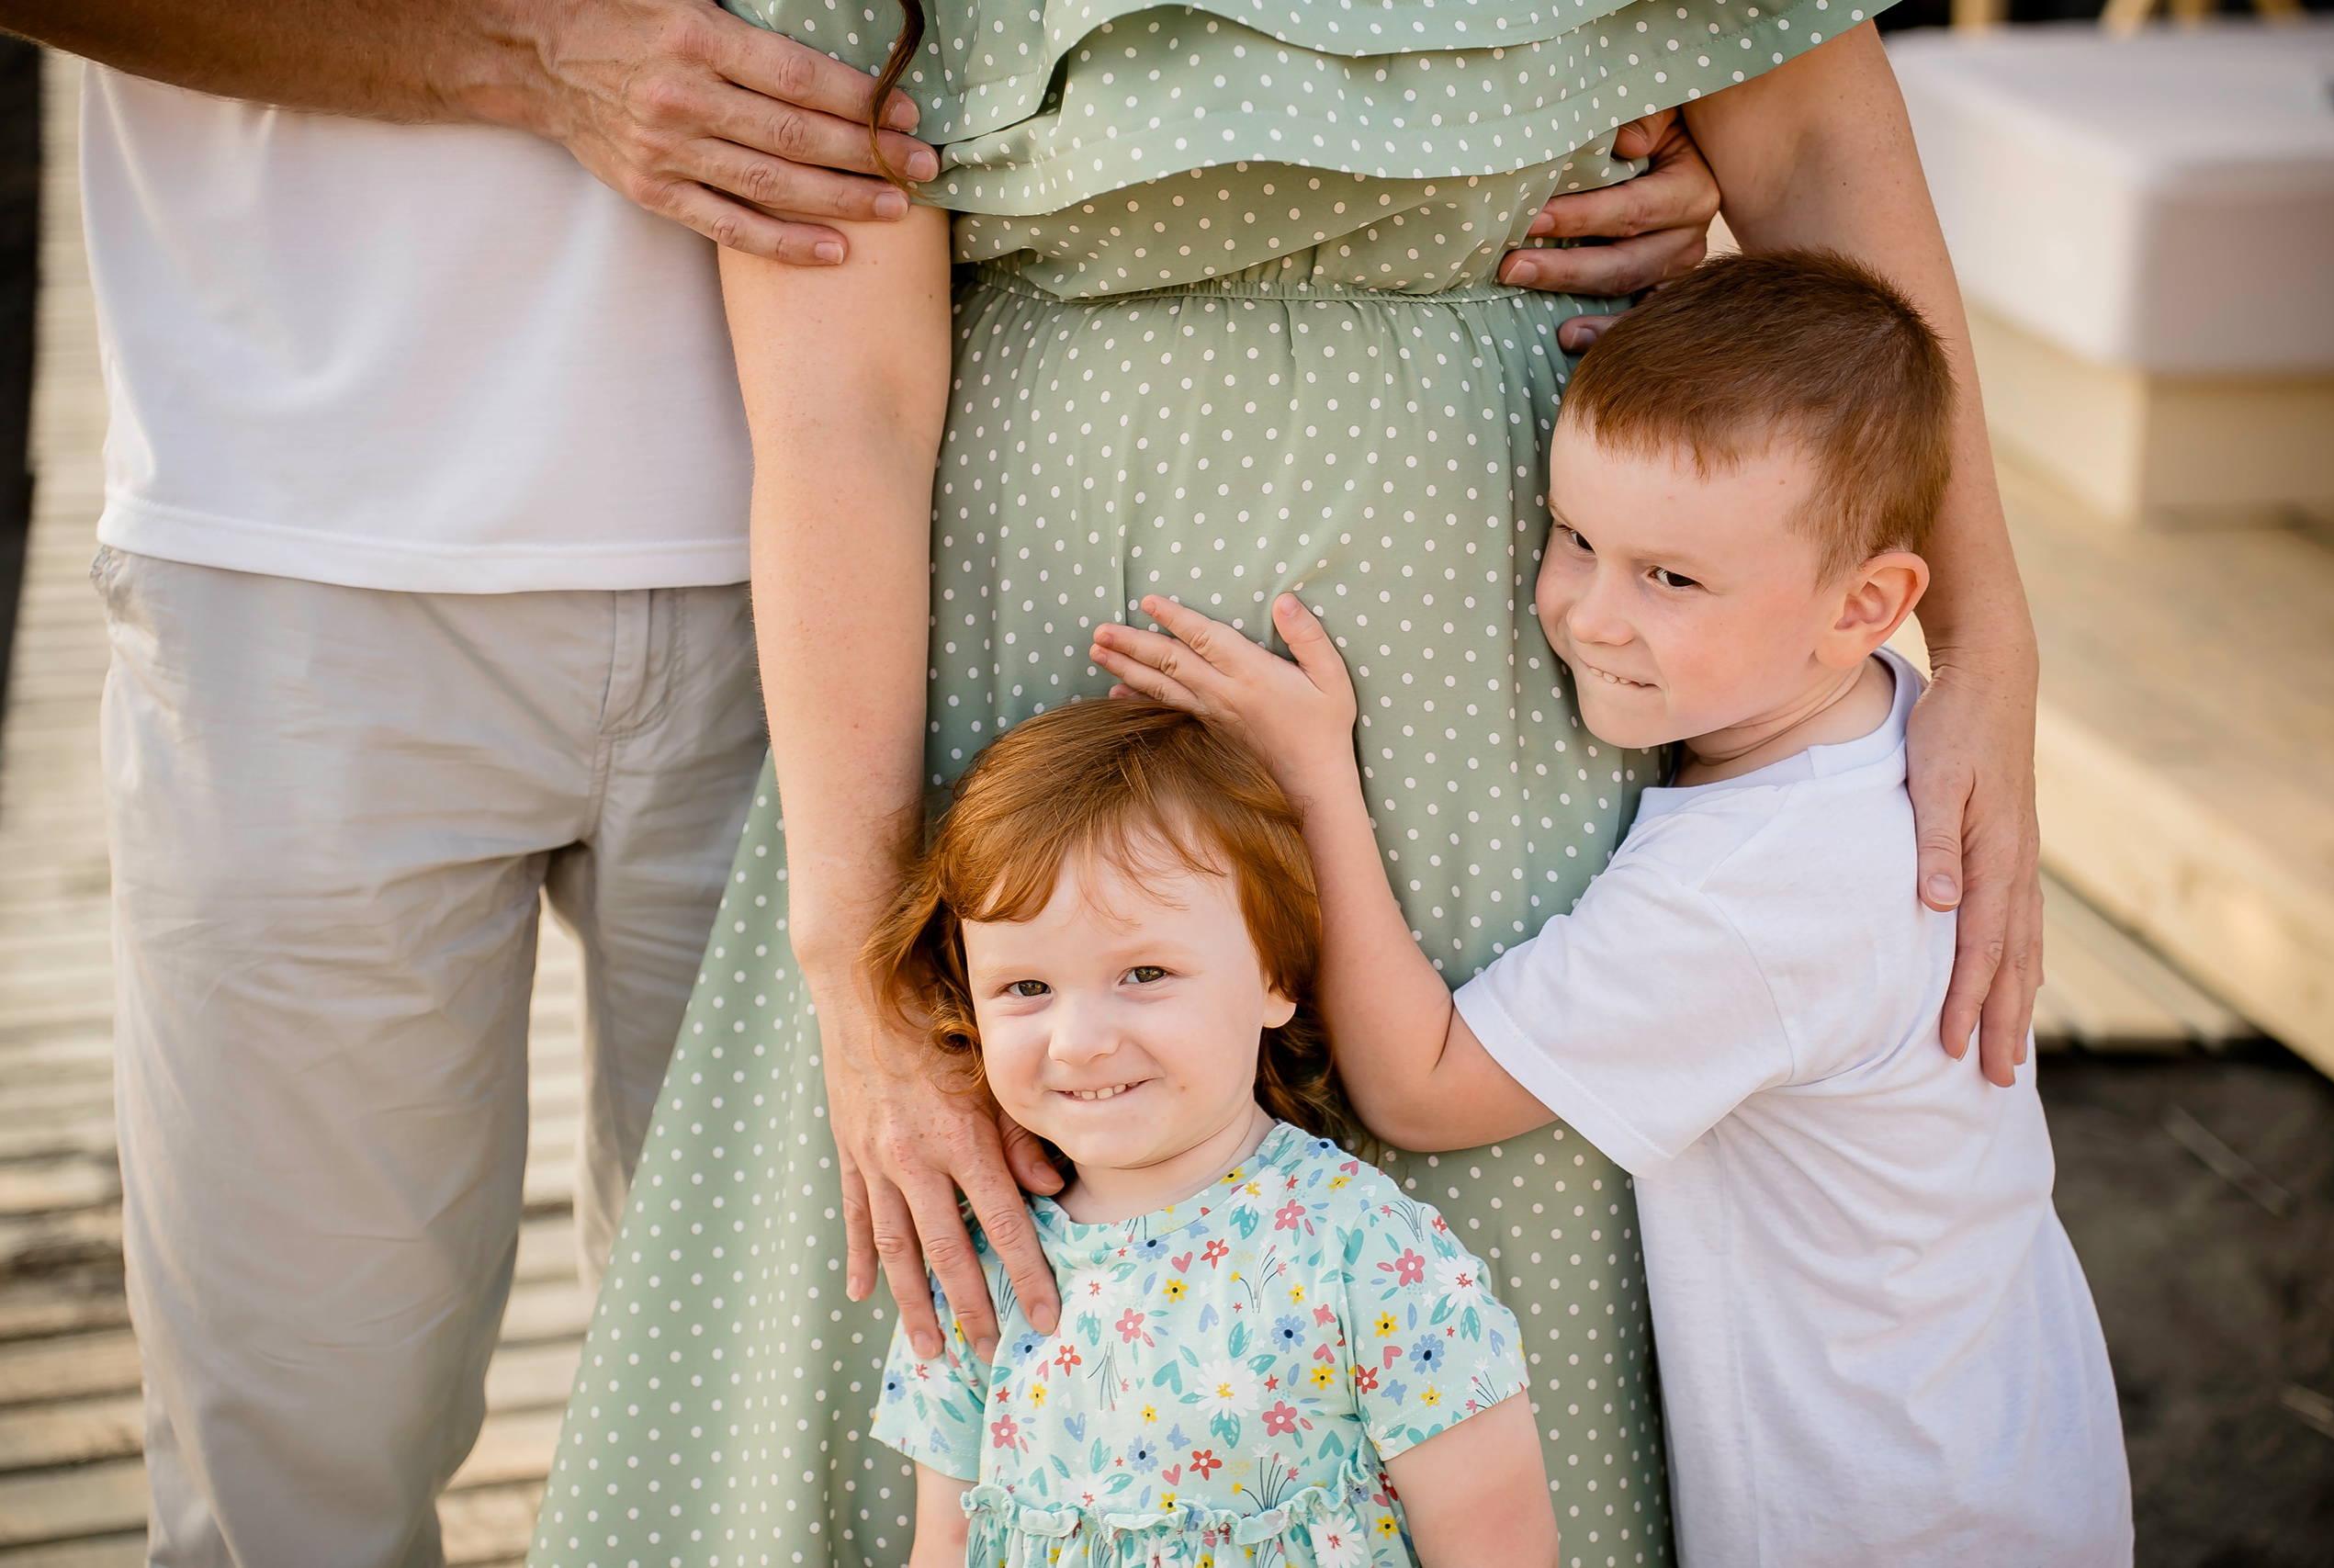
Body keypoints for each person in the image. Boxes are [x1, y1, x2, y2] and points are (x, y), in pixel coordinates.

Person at [0, 2, 1718, 1559]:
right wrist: (523, 55)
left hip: (855, 619)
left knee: (776, 1391)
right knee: (293, 1429)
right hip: (317, 547)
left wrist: (1570, 106)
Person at [527, 2, 2047, 1565]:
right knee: (1005, 1264)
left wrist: (1990, 641)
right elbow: (839, 405)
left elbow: (1806, 135)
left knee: (1499, 1250)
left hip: (1499, 714)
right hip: (1046, 665)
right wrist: (858, 962)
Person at [1091, 252, 2131, 1565]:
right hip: (2001, 1432)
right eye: (1575, 535)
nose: (1587, 613)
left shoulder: (1755, 895)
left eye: (1670, 579)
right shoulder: (1868, 735)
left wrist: (1313, 770)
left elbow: (1422, 1089)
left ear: (1865, 604)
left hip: (1888, 1510)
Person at [861, 699, 1552, 1568]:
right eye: (1026, 988)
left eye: (1144, 973)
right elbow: (947, 1543)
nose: (1078, 1040)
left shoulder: (1363, 1247)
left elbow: (1498, 1544)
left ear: (1274, 973)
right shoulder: (983, 1266)